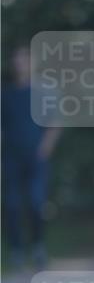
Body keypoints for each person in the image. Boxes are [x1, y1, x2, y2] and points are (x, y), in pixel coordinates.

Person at [1, 46, 61, 269]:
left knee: (37, 203)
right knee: (13, 205)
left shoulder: (43, 92)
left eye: (24, 59)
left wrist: (44, 149)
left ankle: (38, 247)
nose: (20, 64)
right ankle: (16, 250)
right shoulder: (6, 94)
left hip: (36, 158)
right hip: (11, 158)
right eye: (17, 60)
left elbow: (55, 122)